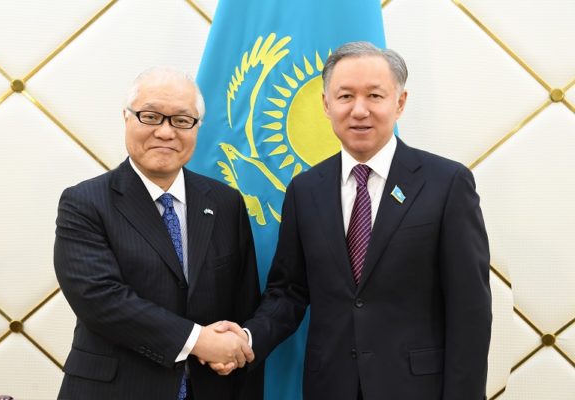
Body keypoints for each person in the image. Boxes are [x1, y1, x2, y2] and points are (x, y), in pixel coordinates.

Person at [214, 41, 492, 399]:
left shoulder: (447, 183)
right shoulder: (305, 190)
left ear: (400, 102)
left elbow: (470, 309)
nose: (359, 110)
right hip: (330, 386)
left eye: (375, 96)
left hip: (417, 388)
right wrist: (248, 338)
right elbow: (289, 291)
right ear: (326, 105)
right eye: (345, 96)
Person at [54, 66, 263, 400]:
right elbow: (101, 299)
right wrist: (199, 341)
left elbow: (243, 303)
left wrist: (233, 348)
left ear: (197, 127)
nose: (166, 132)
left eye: (181, 120)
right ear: (126, 117)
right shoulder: (84, 202)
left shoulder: (226, 203)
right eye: (150, 117)